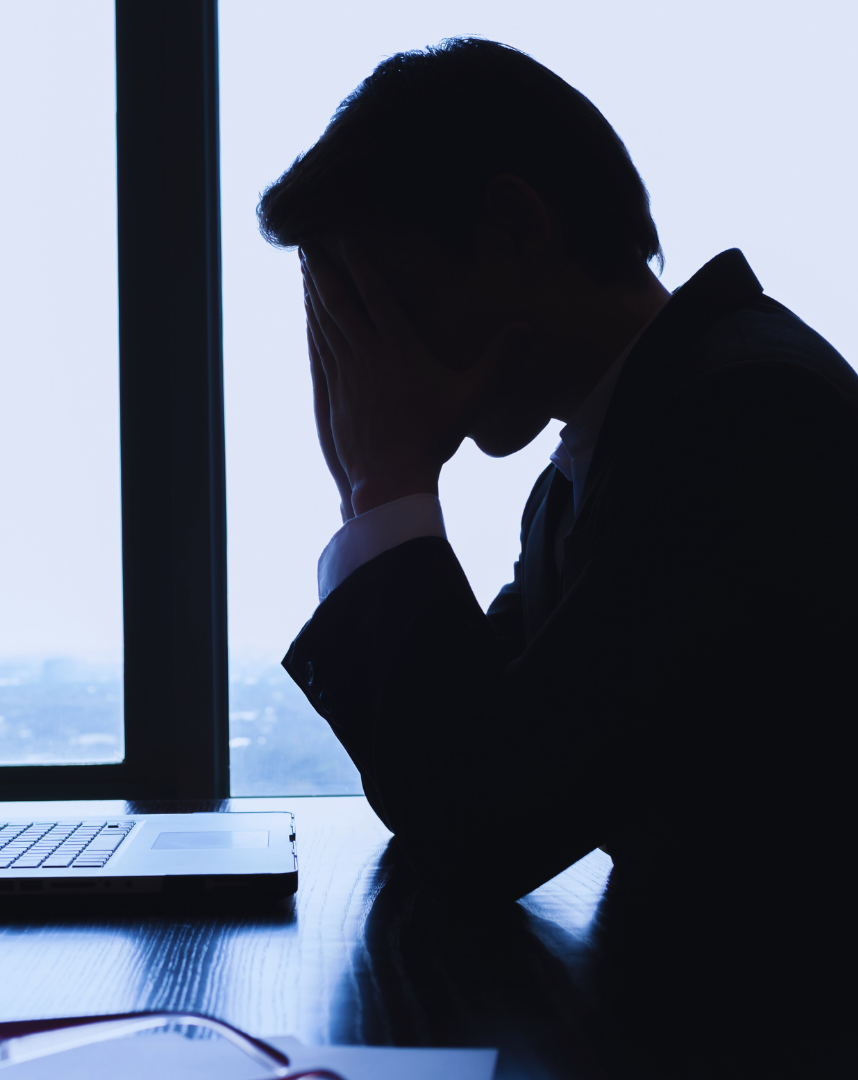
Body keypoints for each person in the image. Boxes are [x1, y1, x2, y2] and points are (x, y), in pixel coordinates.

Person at [260, 38, 858, 933]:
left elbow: (481, 827)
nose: (375, 365)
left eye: (386, 307)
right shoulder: (593, 467)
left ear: (515, 230)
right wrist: (371, 494)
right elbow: (462, 759)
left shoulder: (743, 423)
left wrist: (383, 484)